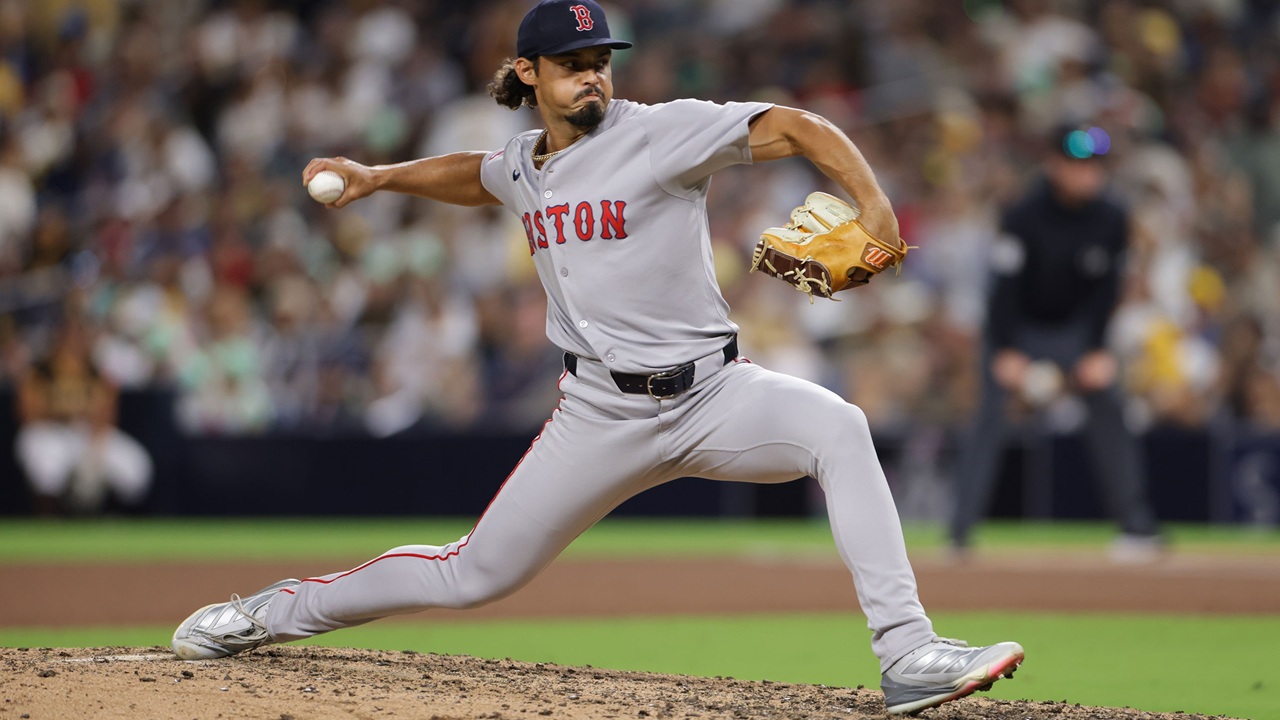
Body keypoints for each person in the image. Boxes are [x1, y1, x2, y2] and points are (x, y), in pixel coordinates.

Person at [171, 2, 1022, 714]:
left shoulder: (661, 134)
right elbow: (477, 174)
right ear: (529, 73)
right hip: (598, 415)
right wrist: (378, 177)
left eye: (601, 61)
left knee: (840, 427)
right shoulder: (524, 165)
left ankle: (907, 653)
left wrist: (873, 204)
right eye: (572, 64)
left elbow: (795, 126)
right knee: (472, 575)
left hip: (714, 394)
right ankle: (272, 611)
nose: (593, 76)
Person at [949, 123, 1162, 558]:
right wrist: (1006, 350)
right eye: (1077, 165)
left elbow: (1106, 292)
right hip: (1020, 328)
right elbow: (1003, 289)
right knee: (989, 418)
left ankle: (1137, 528)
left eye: (1094, 166)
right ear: (1054, 165)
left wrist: (1097, 349)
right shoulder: (1022, 214)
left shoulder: (1112, 218)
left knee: (1110, 410)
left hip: (1075, 332)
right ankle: (960, 533)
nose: (1088, 174)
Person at [15, 320, 153, 515]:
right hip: (49, 432)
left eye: (80, 338)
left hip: (85, 434)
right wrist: (66, 411)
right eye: (70, 338)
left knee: (133, 465)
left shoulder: (96, 372)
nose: (75, 344)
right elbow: (28, 414)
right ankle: (48, 518)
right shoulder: (41, 371)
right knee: (47, 460)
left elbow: (107, 415)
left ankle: (113, 516)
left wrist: (84, 423)